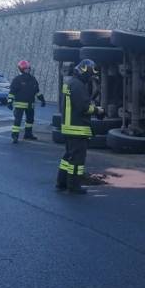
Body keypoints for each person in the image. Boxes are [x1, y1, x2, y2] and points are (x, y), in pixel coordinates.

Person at [58, 59, 101, 194]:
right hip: (77, 128)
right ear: (85, 72)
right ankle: (74, 185)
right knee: (77, 160)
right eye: (90, 74)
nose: (90, 78)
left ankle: (61, 182)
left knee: (68, 157)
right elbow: (84, 107)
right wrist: (97, 110)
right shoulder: (78, 85)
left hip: (69, 127)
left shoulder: (70, 83)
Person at [7, 59, 46, 143]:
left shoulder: (33, 79)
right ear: (21, 69)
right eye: (25, 69)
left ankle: (28, 134)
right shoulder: (17, 79)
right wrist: (9, 102)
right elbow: (12, 92)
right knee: (17, 121)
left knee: (30, 120)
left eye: (28, 69)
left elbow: (37, 91)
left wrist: (42, 99)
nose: (27, 70)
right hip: (19, 104)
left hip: (30, 104)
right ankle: (15, 136)